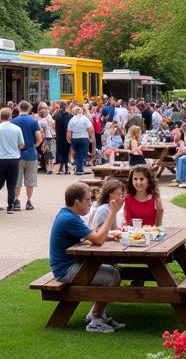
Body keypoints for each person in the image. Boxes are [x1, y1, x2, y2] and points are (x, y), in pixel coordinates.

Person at [49, 183, 125, 333]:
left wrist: (111, 237)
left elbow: (89, 237)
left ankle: (97, 314)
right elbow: (97, 240)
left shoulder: (67, 215)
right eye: (87, 199)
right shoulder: (69, 219)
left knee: (113, 269)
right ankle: (96, 320)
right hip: (65, 270)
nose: (90, 203)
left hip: (69, 264)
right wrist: (112, 212)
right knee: (112, 275)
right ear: (77, 202)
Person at [0, 107, 24, 213]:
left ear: (0, 116)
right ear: (10, 116)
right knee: (11, 185)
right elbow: (21, 145)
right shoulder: (17, 129)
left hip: (0, 159)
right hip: (14, 159)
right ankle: (10, 207)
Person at [11, 100, 42, 211]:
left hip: (17, 154)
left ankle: (16, 200)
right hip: (31, 153)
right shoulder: (33, 121)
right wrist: (34, 145)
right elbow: (39, 138)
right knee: (30, 180)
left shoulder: (13, 121)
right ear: (29, 109)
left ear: (19, 108)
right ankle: (29, 202)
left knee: (17, 179)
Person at [67, 104, 94, 174]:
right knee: (82, 153)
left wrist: (69, 139)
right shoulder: (85, 119)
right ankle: (80, 168)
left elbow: (69, 131)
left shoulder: (71, 120)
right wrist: (90, 136)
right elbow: (90, 129)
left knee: (77, 152)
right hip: (84, 138)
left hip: (75, 139)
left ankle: (78, 167)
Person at [53, 101, 72, 174]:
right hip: (66, 136)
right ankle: (66, 168)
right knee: (66, 152)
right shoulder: (69, 115)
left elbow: (53, 119)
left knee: (61, 152)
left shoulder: (57, 115)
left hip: (59, 136)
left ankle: (61, 168)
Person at [37, 103, 55, 173]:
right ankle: (51, 168)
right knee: (51, 153)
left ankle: (47, 168)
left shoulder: (40, 121)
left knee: (46, 153)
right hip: (51, 137)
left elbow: (41, 131)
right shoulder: (49, 118)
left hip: (46, 138)